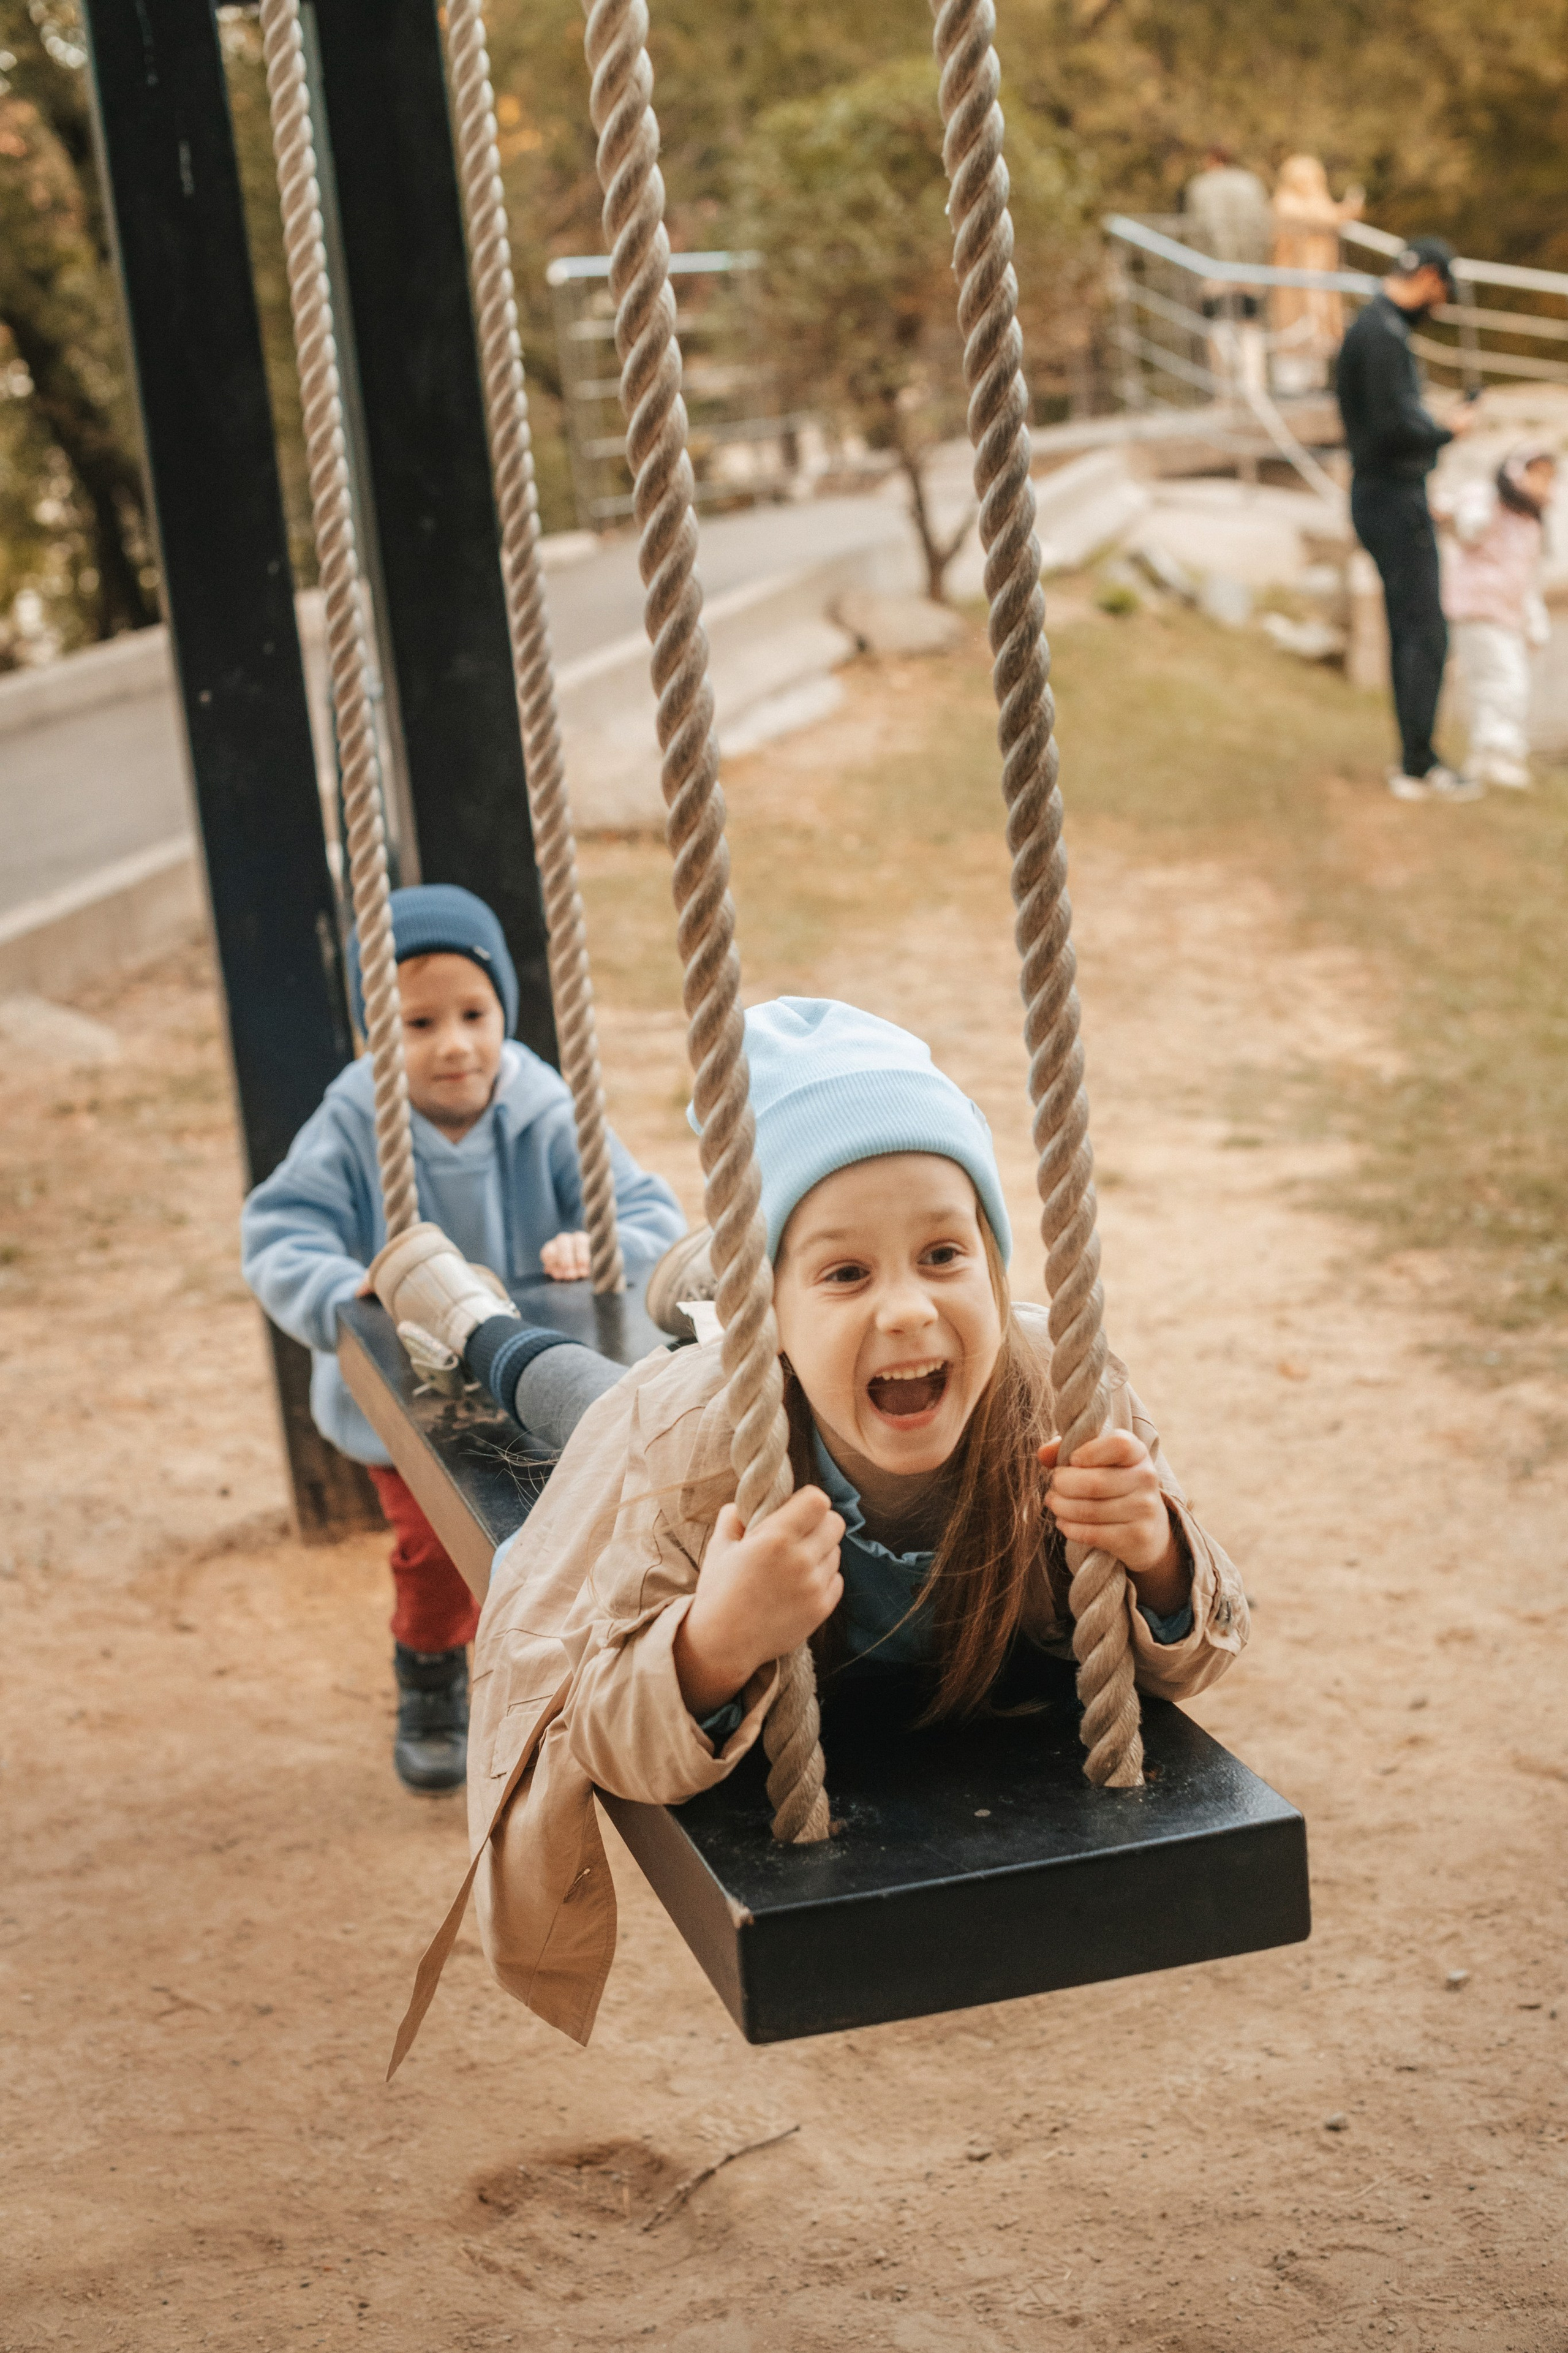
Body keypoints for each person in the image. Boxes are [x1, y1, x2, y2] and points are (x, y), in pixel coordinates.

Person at [370, 999, 1250, 2048]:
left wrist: (1157, 1556)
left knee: (693, 1365)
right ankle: (473, 1317)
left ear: (994, 1264)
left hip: (773, 1355)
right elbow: (596, 1727)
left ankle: (725, 1281)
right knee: (583, 1402)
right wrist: (713, 1642)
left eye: (944, 1254)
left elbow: (1209, 1641)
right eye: (846, 1272)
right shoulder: (696, 1444)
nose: (909, 1309)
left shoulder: (1064, 1393)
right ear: (772, 1315)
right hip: (679, 1399)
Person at [241, 883, 685, 1795]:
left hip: (526, 1386)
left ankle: (546, 1679)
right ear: (376, 1032)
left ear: (503, 1013)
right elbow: (279, 1232)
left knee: (553, 1539)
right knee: (436, 1548)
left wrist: (596, 1242)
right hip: (410, 1400)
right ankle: (431, 1672)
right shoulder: (354, 1120)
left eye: (474, 1015)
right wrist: (345, 1290)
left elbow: (647, 1212)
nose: (454, 1044)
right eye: (418, 1023)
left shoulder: (542, 1106)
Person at [1335, 236, 1480, 802]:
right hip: (1390, 499)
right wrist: (1448, 430)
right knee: (1424, 633)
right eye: (1442, 293)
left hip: (1390, 495)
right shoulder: (1382, 334)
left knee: (1413, 629)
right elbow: (1394, 428)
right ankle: (1418, 764)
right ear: (1431, 280)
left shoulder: (1375, 328)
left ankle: (1418, 757)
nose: (1440, 306)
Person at [1436, 447, 1557, 789]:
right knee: (1503, 681)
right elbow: (1465, 525)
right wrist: (1487, 500)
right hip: (1478, 607)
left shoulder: (1530, 522)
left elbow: (1527, 578)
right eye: (1536, 475)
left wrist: (1534, 621)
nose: (1542, 484)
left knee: (1504, 683)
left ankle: (1493, 754)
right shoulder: (1487, 501)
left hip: (1507, 614)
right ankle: (1495, 752)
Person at [1184, 146, 1273, 396]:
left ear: (1211, 159)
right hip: (1249, 266)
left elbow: (1196, 229)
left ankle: (1226, 390)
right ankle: (1255, 388)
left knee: (1218, 325)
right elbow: (1263, 225)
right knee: (1249, 324)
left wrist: (1201, 268)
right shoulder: (1251, 182)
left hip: (1214, 266)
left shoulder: (1200, 186)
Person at [1270, 154, 1364, 384]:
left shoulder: (1317, 201)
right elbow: (1324, 217)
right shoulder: (1286, 202)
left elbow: (1329, 216)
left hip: (1320, 278)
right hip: (1295, 282)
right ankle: (1296, 384)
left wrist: (1347, 210)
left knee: (1322, 328)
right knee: (1297, 333)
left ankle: (1320, 379)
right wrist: (1348, 209)